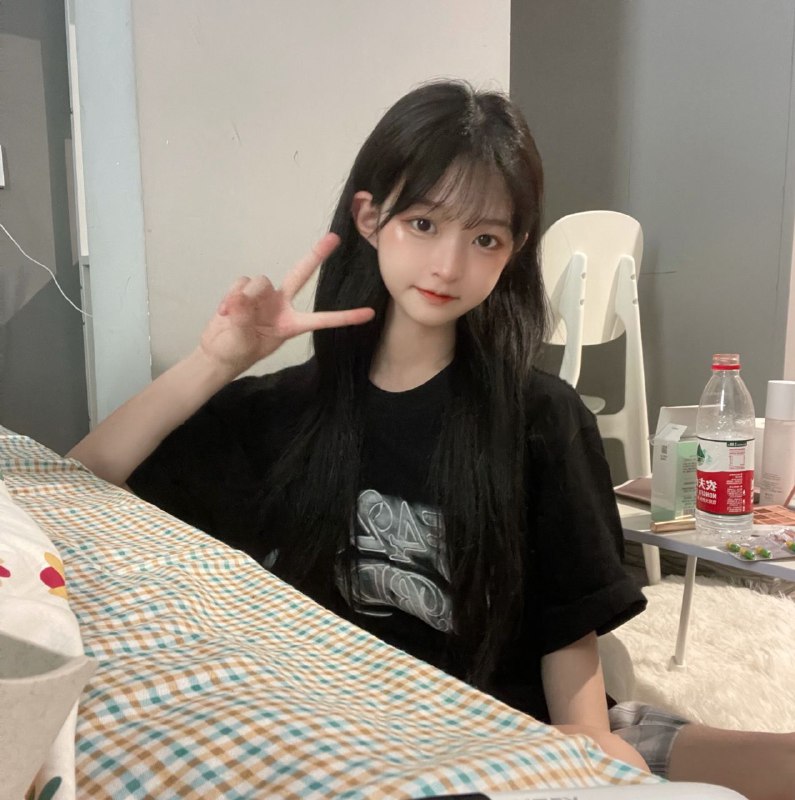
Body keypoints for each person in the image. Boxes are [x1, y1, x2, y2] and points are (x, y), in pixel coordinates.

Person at [68, 80, 794, 800]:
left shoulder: (540, 415)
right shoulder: (290, 411)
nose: (449, 266)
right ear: (369, 217)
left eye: (484, 239)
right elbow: (81, 481)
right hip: (374, 745)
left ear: (512, 251)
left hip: (518, 732)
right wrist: (217, 360)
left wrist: (585, 743)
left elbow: (564, 624)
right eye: (423, 224)